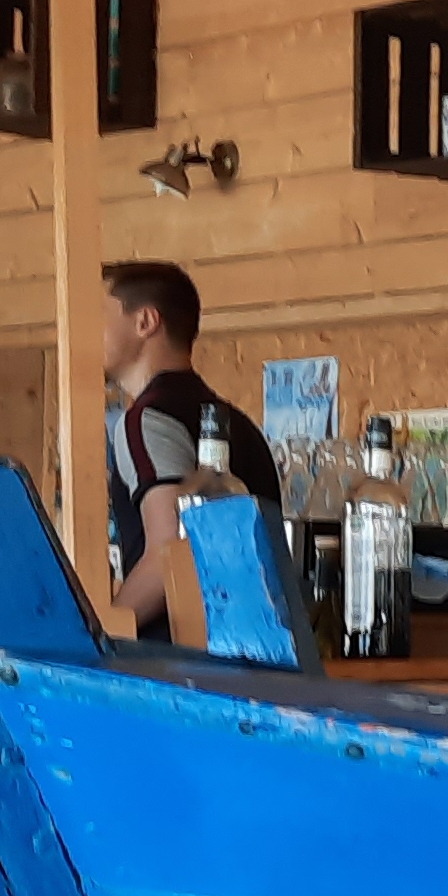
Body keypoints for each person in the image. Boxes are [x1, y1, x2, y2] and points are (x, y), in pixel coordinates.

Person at [101, 261, 279, 642]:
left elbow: (170, 553)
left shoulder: (145, 420)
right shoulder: (241, 426)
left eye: (98, 316)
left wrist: (102, 633)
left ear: (145, 321)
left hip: (176, 661)